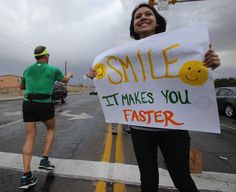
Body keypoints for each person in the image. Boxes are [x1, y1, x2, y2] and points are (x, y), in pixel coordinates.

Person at [88, 3, 220, 192]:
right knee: (148, 181)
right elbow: (113, 78)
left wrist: (210, 64)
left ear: (157, 22)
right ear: (133, 26)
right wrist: (98, 75)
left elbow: (192, 74)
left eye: (148, 14)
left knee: (182, 179)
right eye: (137, 16)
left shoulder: (180, 48)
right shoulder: (123, 58)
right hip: (141, 129)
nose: (143, 17)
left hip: (174, 127)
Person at [19, 45, 73, 189]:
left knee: (29, 137)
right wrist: (70, 75)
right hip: (44, 104)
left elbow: (21, 87)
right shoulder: (53, 69)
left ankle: (26, 176)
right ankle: (44, 160)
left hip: (28, 103)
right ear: (46, 56)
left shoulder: (27, 70)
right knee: (51, 128)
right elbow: (65, 80)